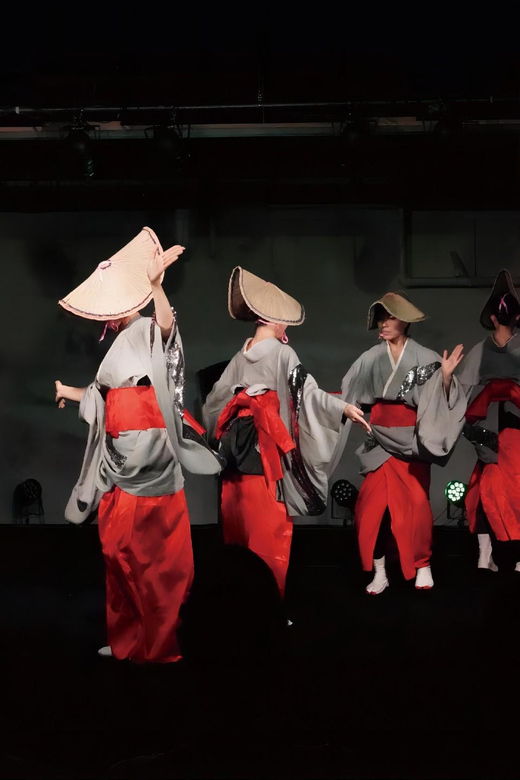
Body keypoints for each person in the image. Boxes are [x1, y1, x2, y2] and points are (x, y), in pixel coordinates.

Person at [55, 227, 221, 662]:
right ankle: (129, 638)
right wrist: (70, 391)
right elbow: (103, 395)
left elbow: (167, 333)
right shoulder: (116, 348)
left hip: (150, 454)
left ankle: (159, 643)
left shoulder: (147, 326)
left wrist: (155, 288)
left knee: (152, 559)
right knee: (116, 552)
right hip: (118, 457)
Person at [202, 266, 370, 597]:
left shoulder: (240, 356)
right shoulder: (282, 353)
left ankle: (240, 606)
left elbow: (213, 403)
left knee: (237, 539)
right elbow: (308, 395)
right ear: (275, 321)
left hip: (236, 466)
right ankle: (269, 609)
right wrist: (342, 408)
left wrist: (239, 404)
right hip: (266, 465)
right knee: (269, 538)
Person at [336, 292, 465, 594]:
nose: (383, 324)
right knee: (369, 510)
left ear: (404, 322)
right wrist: (348, 409)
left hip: (411, 443)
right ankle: (380, 570)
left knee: (417, 507)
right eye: (380, 318)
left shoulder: (424, 356)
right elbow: (349, 393)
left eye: (389, 318)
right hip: (379, 440)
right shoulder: (370, 358)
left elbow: (440, 398)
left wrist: (445, 378)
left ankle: (423, 564)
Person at [457, 269, 520, 572]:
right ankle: (510, 558)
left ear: (493, 318)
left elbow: (462, 393)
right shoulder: (487, 350)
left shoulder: (479, 351)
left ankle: (486, 554)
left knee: (485, 487)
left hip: (491, 427)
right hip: (507, 428)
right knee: (510, 490)